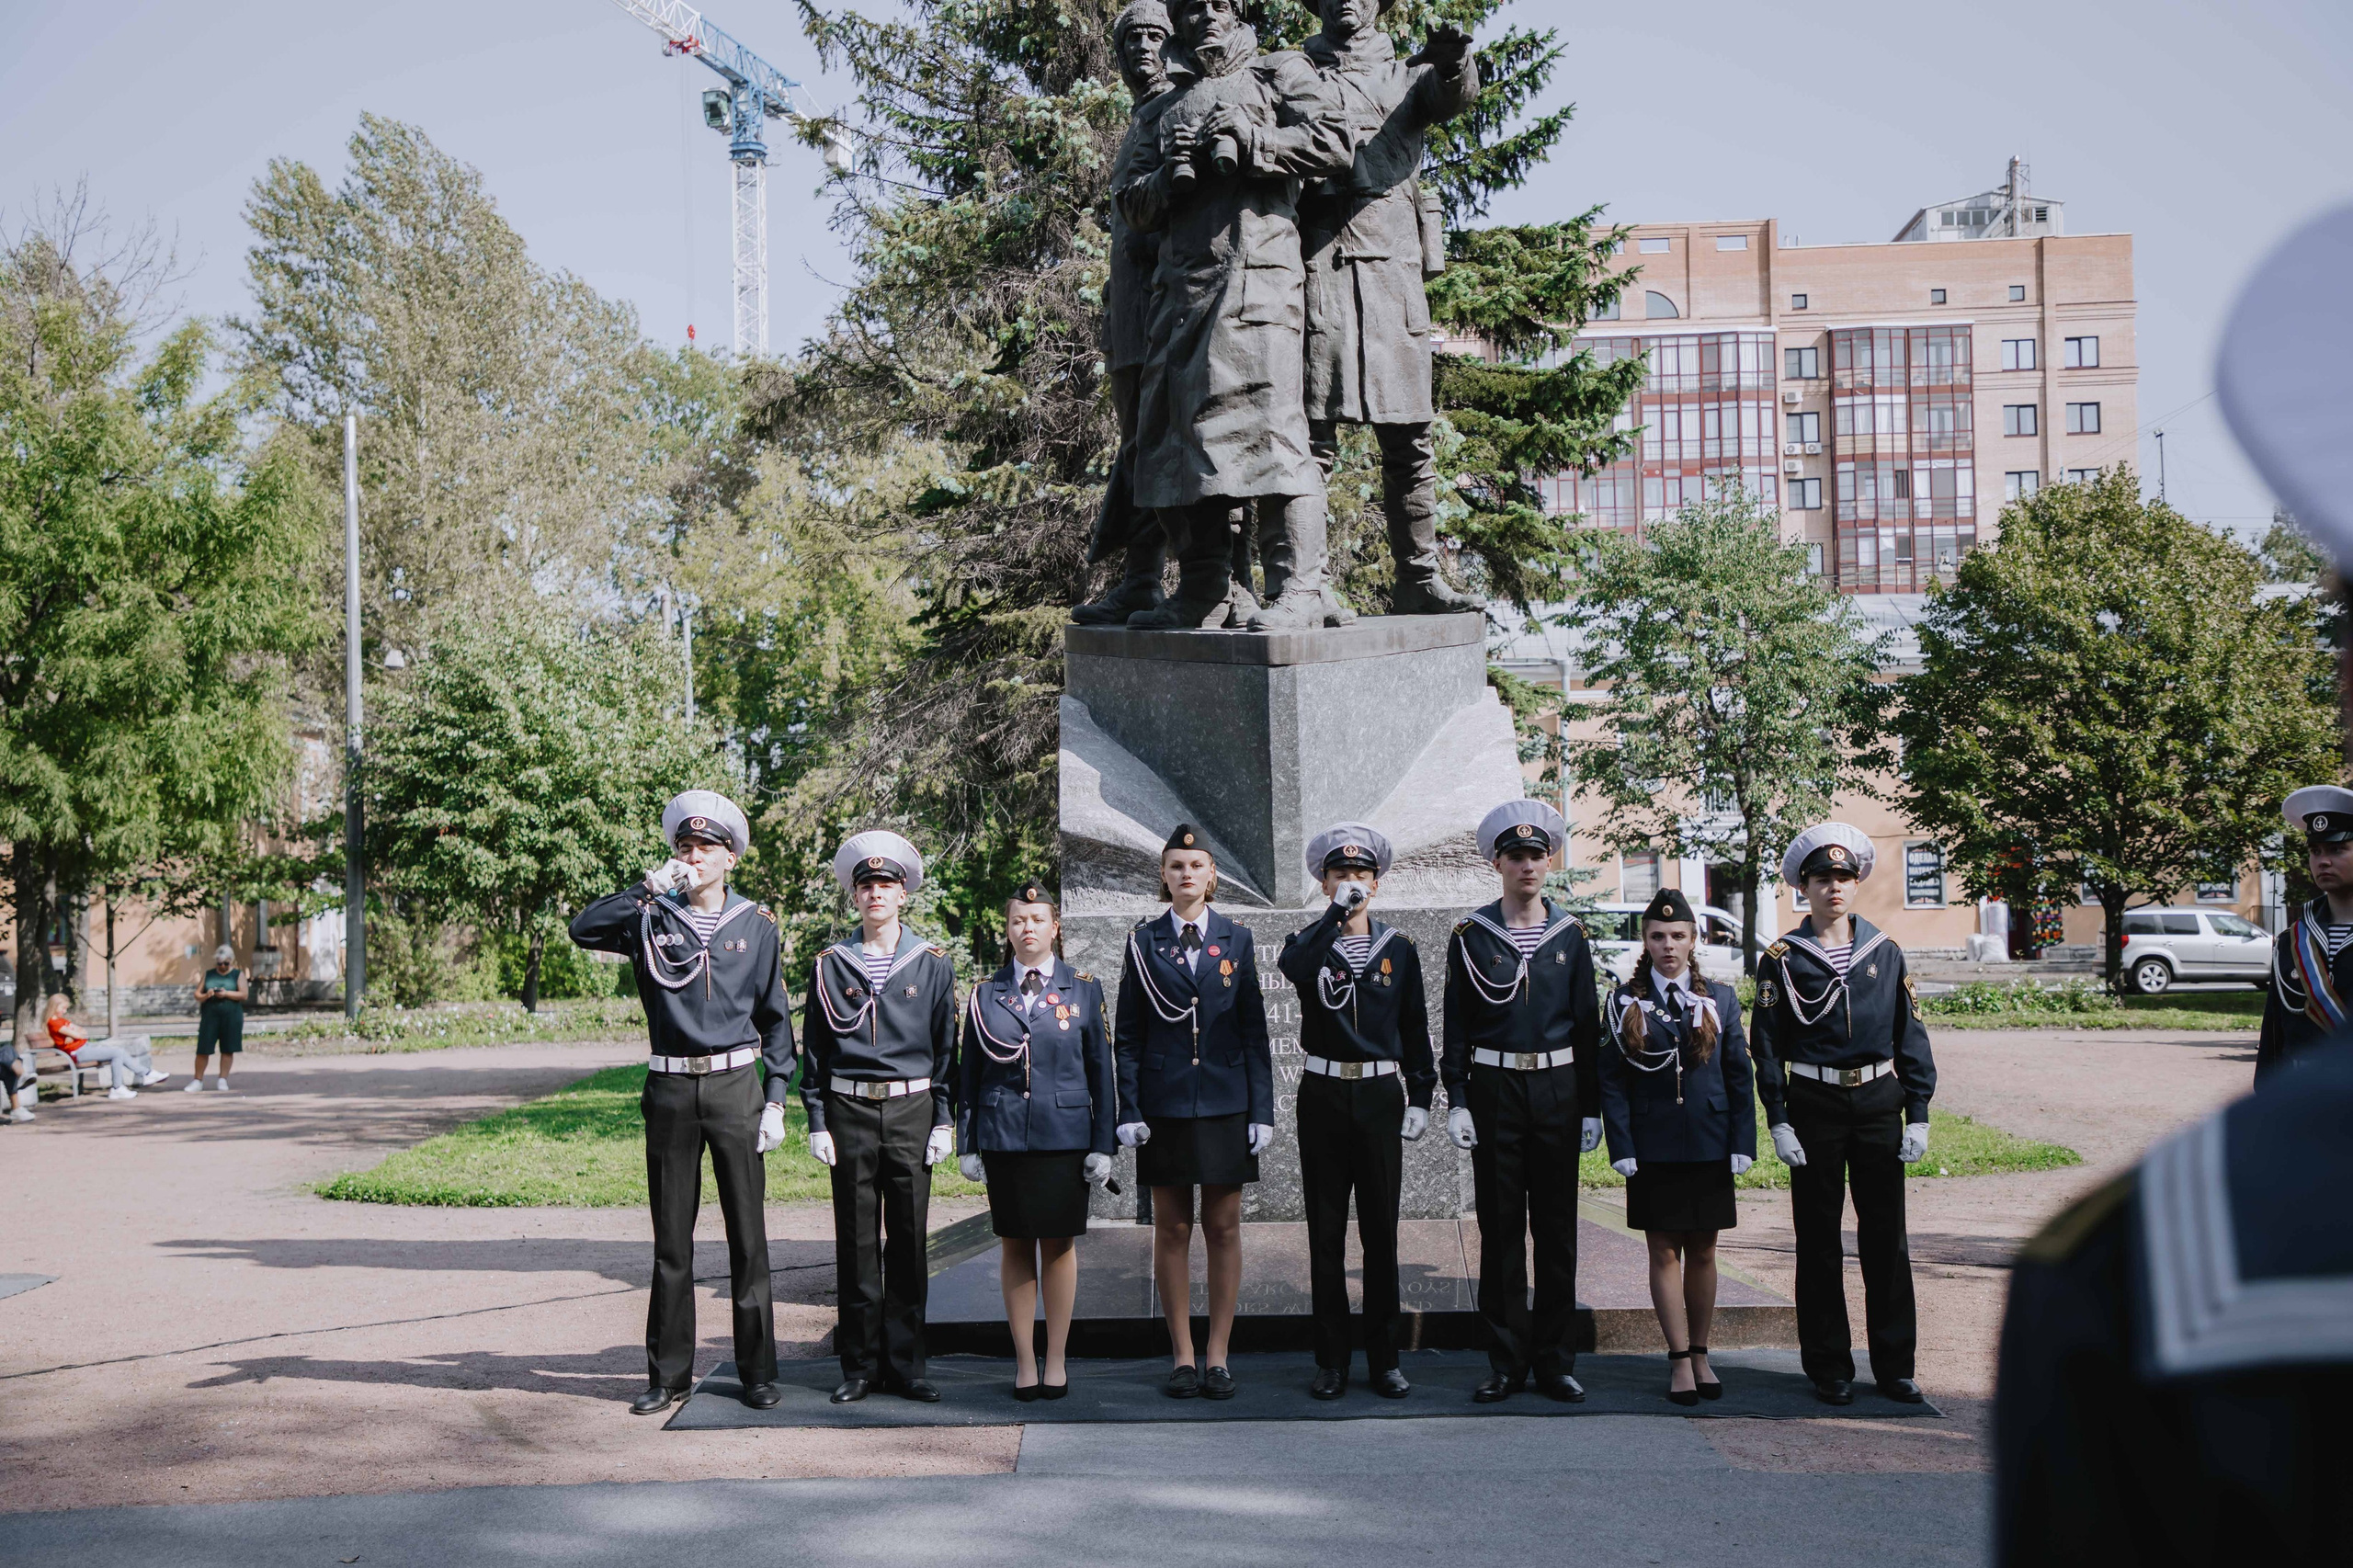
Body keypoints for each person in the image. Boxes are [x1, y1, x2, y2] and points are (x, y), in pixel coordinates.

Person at [1113, 0, 1354, 631]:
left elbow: (1334, 142)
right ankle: (1206, 588)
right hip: (1181, 297)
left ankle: (1297, 588)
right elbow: (1131, 204)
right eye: (1191, 8)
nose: (1206, 18)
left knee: (1274, 435)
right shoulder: (1167, 106)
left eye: (1217, 4)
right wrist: (1170, 176)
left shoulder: (1279, 71)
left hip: (1260, 285)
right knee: (1180, 444)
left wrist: (1257, 142)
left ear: (1236, 9)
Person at [568, 790, 795, 1415]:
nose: (693, 857)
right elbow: (582, 928)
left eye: (705, 848)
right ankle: (668, 1376)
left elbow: (775, 1021)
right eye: (683, 848)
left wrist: (776, 1099)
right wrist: (648, 887)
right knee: (672, 1239)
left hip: (734, 1086)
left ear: (731, 858)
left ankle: (757, 1372)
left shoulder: (756, 925)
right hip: (670, 1087)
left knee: (748, 1236)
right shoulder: (649, 917)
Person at [1298, 0, 1482, 616]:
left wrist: (1455, 60)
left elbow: (1448, 94)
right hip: (1320, 263)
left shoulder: (1407, 74)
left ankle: (1419, 579)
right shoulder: (1296, 72)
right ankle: (1306, 583)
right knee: (1311, 437)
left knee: (1408, 438)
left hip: (1394, 268)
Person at [1749, 823, 1937, 1406]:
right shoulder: (1782, 959)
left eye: (1844, 877)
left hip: (1878, 1104)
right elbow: (1767, 1044)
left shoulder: (1885, 951)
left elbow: (1911, 1035)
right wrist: (1778, 1118)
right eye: (1823, 878)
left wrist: (1920, 1112)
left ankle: (1894, 1364)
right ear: (1802, 886)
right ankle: (1829, 1365)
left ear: (1857, 884)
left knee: (1887, 1238)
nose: (1834, 887)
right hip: (1814, 1107)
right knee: (1819, 1240)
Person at [1441, 799, 1603, 1403]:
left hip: (1558, 1092)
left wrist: (1591, 1107)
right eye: (1516, 856)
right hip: (1495, 1091)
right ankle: (1507, 1362)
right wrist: (1455, 1098)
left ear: (1550, 861)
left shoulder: (1570, 936)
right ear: (1497, 863)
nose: (1527, 866)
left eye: (1537, 855)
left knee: (1557, 1231)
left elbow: (1587, 1028)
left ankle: (1556, 1361)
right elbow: (1455, 1024)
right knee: (1503, 1230)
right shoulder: (1471, 936)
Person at [1114, 823, 1273, 1398]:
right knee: (1173, 1227)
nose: (1187, 874)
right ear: (1164, 874)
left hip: (1227, 1102)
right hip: (1165, 1105)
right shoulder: (1143, 941)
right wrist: (1128, 1107)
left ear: (1212, 876)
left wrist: (1263, 1110)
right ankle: (1182, 1354)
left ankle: (1219, 1354)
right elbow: (1127, 1035)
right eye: (1176, 865)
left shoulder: (1237, 939)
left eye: (1197, 865)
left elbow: (1254, 1031)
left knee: (1223, 1226)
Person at [801, 829, 959, 1404]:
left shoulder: (932, 964)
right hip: (848, 1109)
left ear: (903, 895)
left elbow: (948, 1051)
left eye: (886, 885)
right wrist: (816, 1119)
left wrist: (944, 1118)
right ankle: (860, 1365)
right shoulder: (830, 965)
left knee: (910, 1242)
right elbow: (814, 1049)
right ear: (855, 896)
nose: (875, 894)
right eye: (865, 885)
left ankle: (908, 1365)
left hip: (913, 1108)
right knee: (857, 1241)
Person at [1278, 824, 1433, 1400]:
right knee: (1325, 1233)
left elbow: (1415, 1027)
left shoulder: (1399, 948)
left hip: (1377, 1096)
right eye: (1341, 875)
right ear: (1325, 884)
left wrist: (1421, 1095)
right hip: (1322, 1096)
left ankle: (1385, 1359)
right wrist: (1332, 921)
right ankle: (1332, 1361)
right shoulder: (1311, 942)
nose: (1352, 883)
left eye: (1361, 875)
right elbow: (1294, 970)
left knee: (1380, 1234)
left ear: (1377, 882)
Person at [956, 881, 1116, 1400]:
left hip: (1066, 1139)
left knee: (1060, 1245)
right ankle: (1025, 1360)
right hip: (1004, 1137)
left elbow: (1101, 1074)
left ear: (1055, 927)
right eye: (1019, 920)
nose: (1029, 928)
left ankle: (1058, 1358)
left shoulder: (1084, 989)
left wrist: (1103, 1145)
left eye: (1038, 919)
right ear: (1008, 929)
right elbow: (970, 1073)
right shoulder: (986, 993)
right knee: (1016, 1243)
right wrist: (967, 1141)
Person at [1599, 888, 1756, 1405]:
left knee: (1706, 1249)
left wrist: (1743, 1140)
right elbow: (1613, 1080)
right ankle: (1679, 1359)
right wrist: (1620, 1142)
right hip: (1653, 1144)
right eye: (1658, 936)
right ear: (1645, 941)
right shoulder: (1625, 1000)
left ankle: (1704, 1352)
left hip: (1710, 1141)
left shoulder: (1722, 999)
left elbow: (1739, 1076)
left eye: (1679, 936)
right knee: (1664, 1248)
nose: (1669, 945)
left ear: (1694, 939)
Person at [2255, 784, 2353, 1082]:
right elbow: (2275, 1032)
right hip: (2304, 1105)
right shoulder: (2292, 940)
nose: (2323, 861)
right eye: (2315, 851)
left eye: (2337, 849)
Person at [44, 994, 166, 1099]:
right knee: (117, 1052)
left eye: (66, 1008)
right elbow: (77, 1033)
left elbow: (83, 1032)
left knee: (118, 1052)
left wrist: (76, 1035)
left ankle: (123, 1085)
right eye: (63, 1008)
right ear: (54, 1006)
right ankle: (141, 1076)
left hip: (85, 1046)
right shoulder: (53, 1023)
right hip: (78, 1052)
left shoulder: (61, 1020)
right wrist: (75, 1034)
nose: (65, 1011)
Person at [184, 946, 246, 1091]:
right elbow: (197, 994)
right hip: (210, 1016)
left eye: (226, 963)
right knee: (203, 1049)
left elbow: (243, 994)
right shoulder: (209, 975)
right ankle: (197, 1080)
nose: (222, 966)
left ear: (231, 961)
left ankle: (223, 1079)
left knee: (228, 1048)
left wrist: (226, 994)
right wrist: (208, 995)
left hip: (231, 1016)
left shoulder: (237, 974)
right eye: (219, 963)